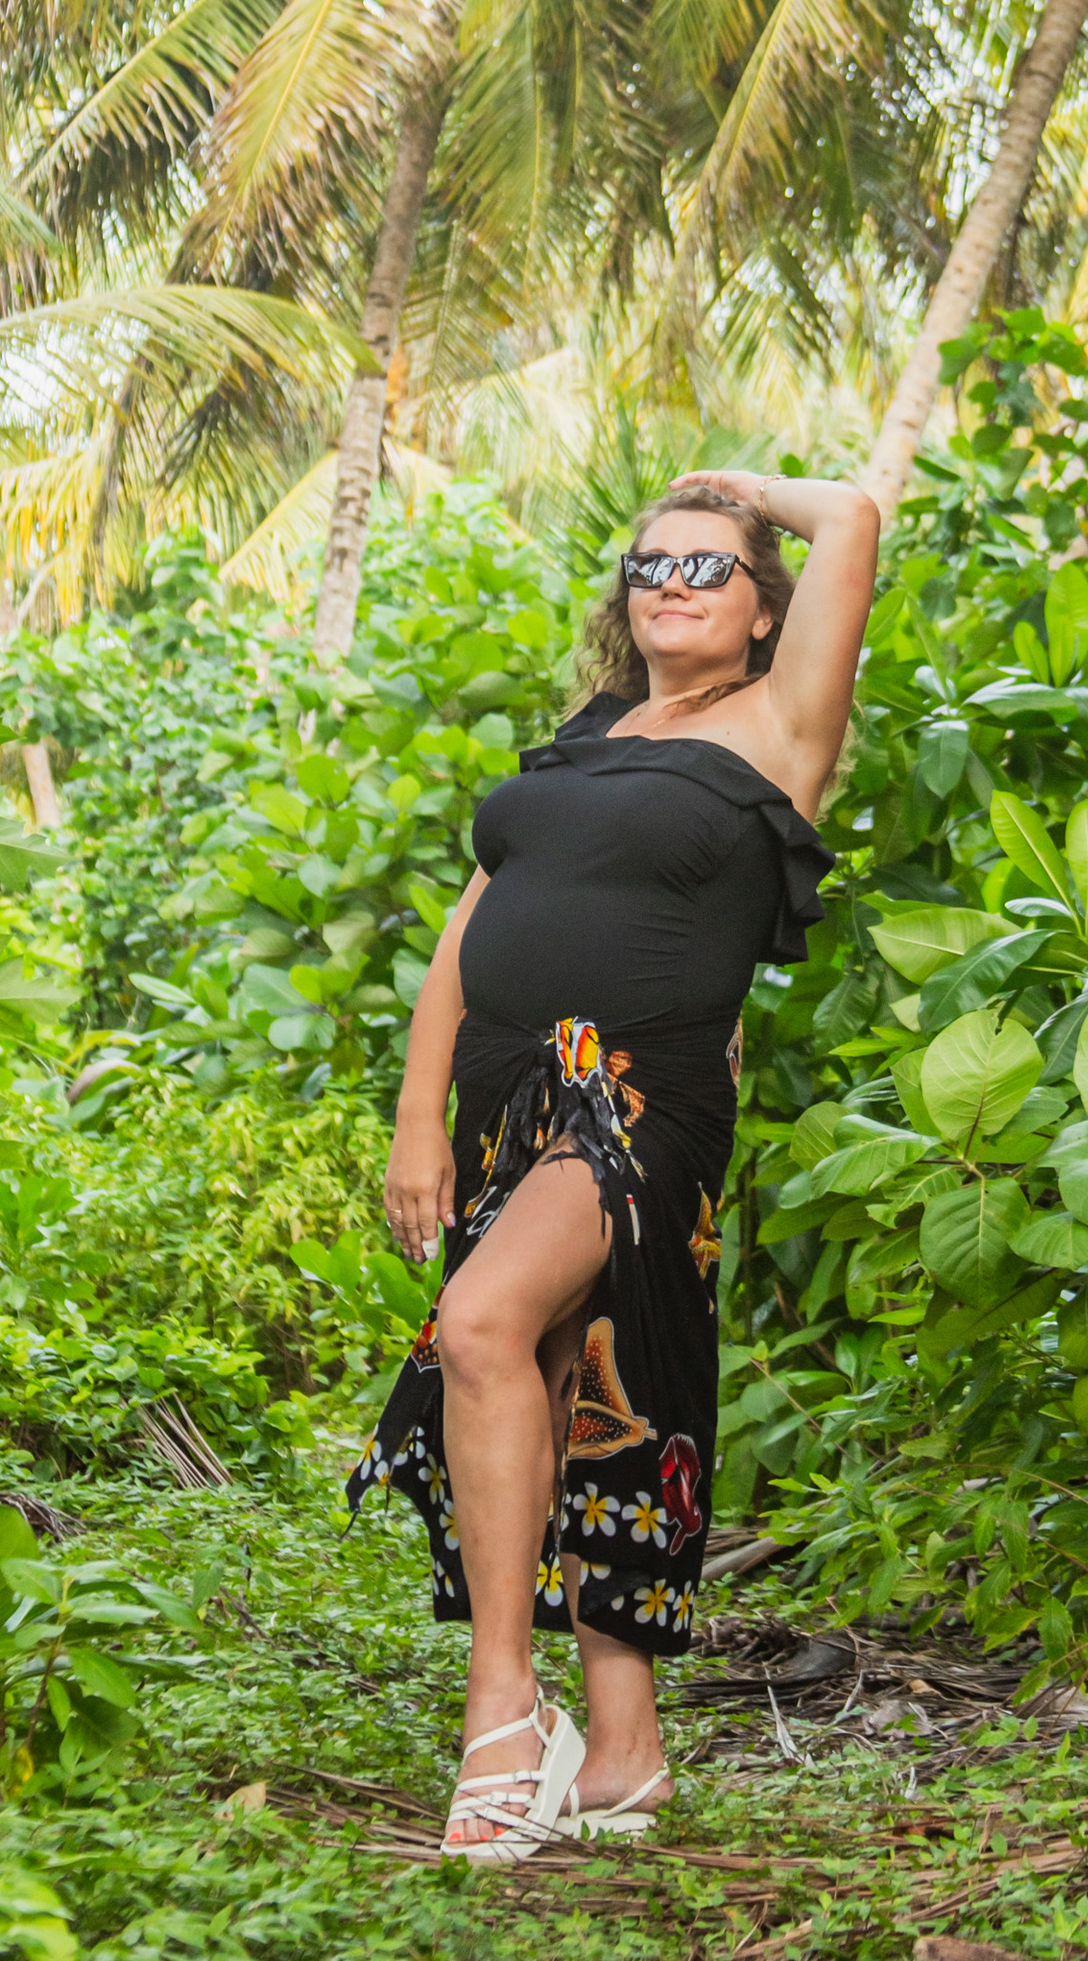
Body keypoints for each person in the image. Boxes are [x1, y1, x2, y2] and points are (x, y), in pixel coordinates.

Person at [349, 467, 880, 1863]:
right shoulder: (587, 735)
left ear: (769, 616)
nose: (672, 585)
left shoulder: (780, 725)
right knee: (585, 1390)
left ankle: (503, 1720)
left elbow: (858, 516)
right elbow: (476, 925)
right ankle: (624, 1754)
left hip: (640, 1096)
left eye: (711, 569)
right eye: (652, 564)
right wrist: (418, 1113)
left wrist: (738, 490)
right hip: (504, 1099)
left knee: (482, 1327)